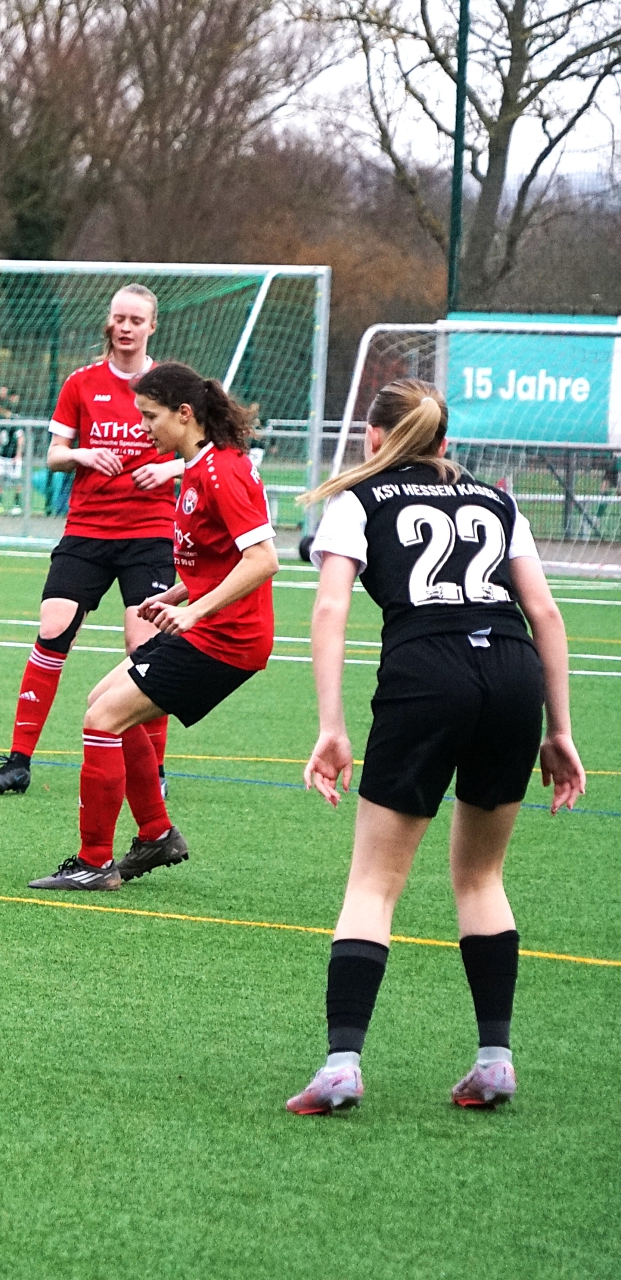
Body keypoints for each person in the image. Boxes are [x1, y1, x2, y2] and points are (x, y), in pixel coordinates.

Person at [284, 380, 585, 1115]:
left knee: (374, 884)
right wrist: (560, 730)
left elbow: (330, 607)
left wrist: (331, 724)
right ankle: (495, 1061)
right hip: (512, 671)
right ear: (445, 443)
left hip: (427, 673)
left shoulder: (358, 500)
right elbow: (544, 612)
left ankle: (342, 1066)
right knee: (481, 878)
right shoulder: (498, 500)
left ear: (374, 437)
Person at [28, 362, 277, 891]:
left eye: (150, 416)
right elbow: (217, 560)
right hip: (209, 627)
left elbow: (262, 560)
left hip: (226, 639)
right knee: (103, 702)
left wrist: (194, 612)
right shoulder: (199, 467)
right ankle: (156, 834)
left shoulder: (221, 471)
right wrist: (175, 595)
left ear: (184, 414)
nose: (143, 428)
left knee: (102, 721)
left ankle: (95, 862)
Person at [0, 285, 182, 798]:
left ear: (152, 326)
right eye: (119, 318)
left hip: (149, 535)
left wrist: (169, 471)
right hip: (87, 530)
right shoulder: (82, 382)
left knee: (145, 646)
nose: (126, 327)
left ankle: (154, 771)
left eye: (136, 319)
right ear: (109, 322)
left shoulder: (171, 385)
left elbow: (207, 451)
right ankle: (18, 762)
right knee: (53, 628)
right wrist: (82, 456)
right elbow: (54, 454)